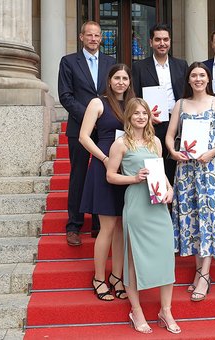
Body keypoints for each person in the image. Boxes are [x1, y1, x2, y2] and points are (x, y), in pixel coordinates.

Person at [106, 98, 180, 335]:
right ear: (128, 116)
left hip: (158, 205)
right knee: (133, 259)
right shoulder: (120, 143)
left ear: (149, 117)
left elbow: (161, 172)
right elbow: (110, 176)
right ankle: (136, 310)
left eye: (144, 113)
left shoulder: (155, 141)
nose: (140, 117)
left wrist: (169, 189)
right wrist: (133, 178)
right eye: (136, 113)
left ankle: (165, 311)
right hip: (137, 203)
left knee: (166, 256)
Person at [165, 62, 215, 302]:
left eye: (202, 75)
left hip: (211, 167)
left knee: (208, 217)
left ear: (208, 79)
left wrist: (212, 151)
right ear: (189, 79)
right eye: (194, 75)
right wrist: (173, 153)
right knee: (193, 217)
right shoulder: (180, 104)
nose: (198, 79)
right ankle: (198, 271)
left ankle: (204, 275)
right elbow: (169, 135)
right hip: (186, 169)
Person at [78, 64, 135, 301]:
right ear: (109, 80)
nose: (121, 82)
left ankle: (117, 277)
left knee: (122, 227)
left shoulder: (132, 105)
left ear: (129, 82)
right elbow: (83, 136)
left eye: (125, 78)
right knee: (108, 227)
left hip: (126, 169)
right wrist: (103, 158)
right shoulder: (98, 103)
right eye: (117, 78)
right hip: (103, 167)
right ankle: (99, 278)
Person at [58, 21, 116, 246]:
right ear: (81, 37)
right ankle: (74, 225)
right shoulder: (69, 62)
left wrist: (102, 119)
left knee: (102, 173)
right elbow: (65, 96)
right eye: (89, 35)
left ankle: (97, 224)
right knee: (79, 174)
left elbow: (115, 92)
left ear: (101, 38)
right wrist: (89, 117)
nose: (93, 39)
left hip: (105, 130)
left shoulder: (111, 63)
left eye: (97, 35)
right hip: (79, 127)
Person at [132, 23, 188, 183]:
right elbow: (135, 96)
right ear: (151, 42)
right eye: (158, 40)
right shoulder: (139, 67)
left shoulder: (181, 65)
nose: (162, 43)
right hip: (151, 124)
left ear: (170, 41)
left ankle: (172, 204)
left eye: (165, 39)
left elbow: (187, 94)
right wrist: (146, 117)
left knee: (175, 164)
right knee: (154, 164)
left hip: (177, 123)